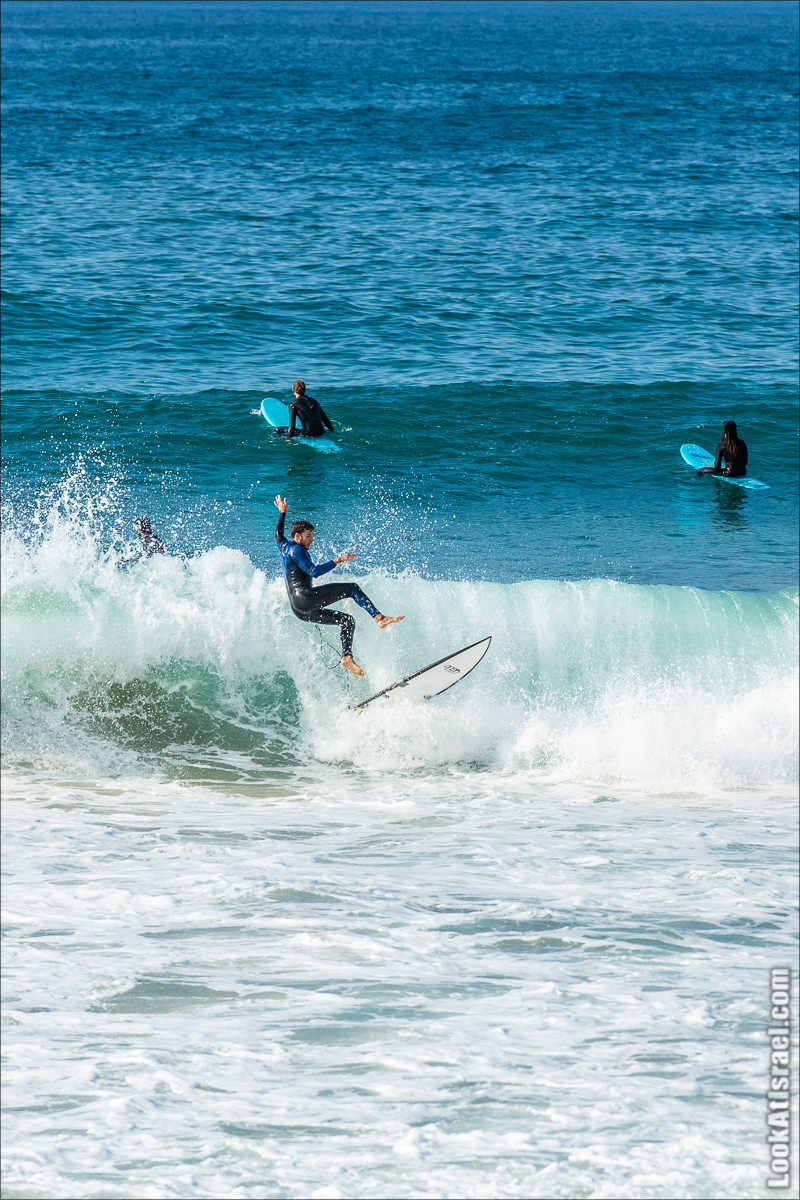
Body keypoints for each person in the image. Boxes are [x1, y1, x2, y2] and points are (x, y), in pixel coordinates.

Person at [274, 495, 404, 676]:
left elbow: (278, 535)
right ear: (297, 536)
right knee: (351, 588)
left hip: (299, 610)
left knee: (347, 621)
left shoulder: (285, 546)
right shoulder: (298, 549)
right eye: (308, 536)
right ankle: (379, 618)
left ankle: (347, 657)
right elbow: (314, 572)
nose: (311, 540)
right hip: (306, 599)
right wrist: (339, 559)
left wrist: (282, 513)